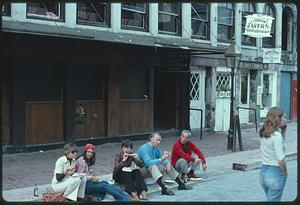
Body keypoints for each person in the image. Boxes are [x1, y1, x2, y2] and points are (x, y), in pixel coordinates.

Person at [259, 107, 288, 201]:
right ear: (277, 118)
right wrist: (285, 173)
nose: (285, 119)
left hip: (264, 172)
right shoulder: (277, 136)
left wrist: (283, 132)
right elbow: (281, 159)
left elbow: (278, 146)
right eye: (284, 117)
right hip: (275, 172)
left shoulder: (264, 132)